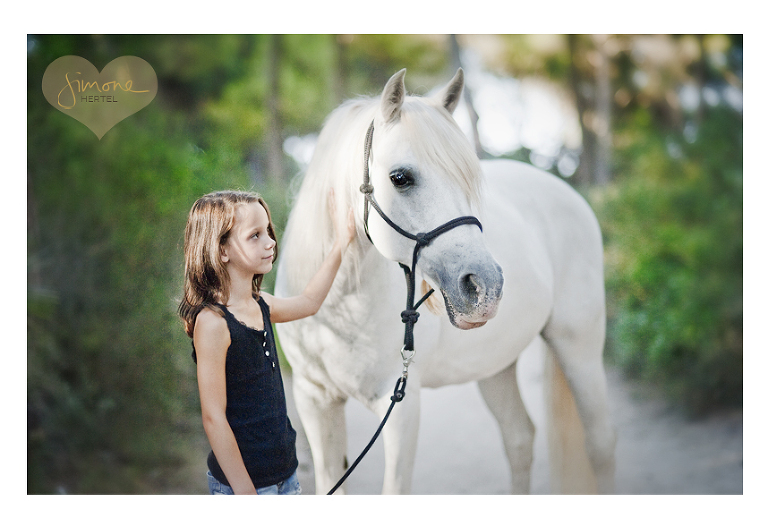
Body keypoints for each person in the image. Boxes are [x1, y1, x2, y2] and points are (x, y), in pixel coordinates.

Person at [178, 190, 355, 495]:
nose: (270, 242)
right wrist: (246, 494)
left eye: (268, 232)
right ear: (221, 250)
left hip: (286, 478)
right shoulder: (213, 324)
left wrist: (343, 240)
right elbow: (213, 417)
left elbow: (310, 302)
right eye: (255, 235)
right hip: (245, 488)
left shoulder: (261, 304)